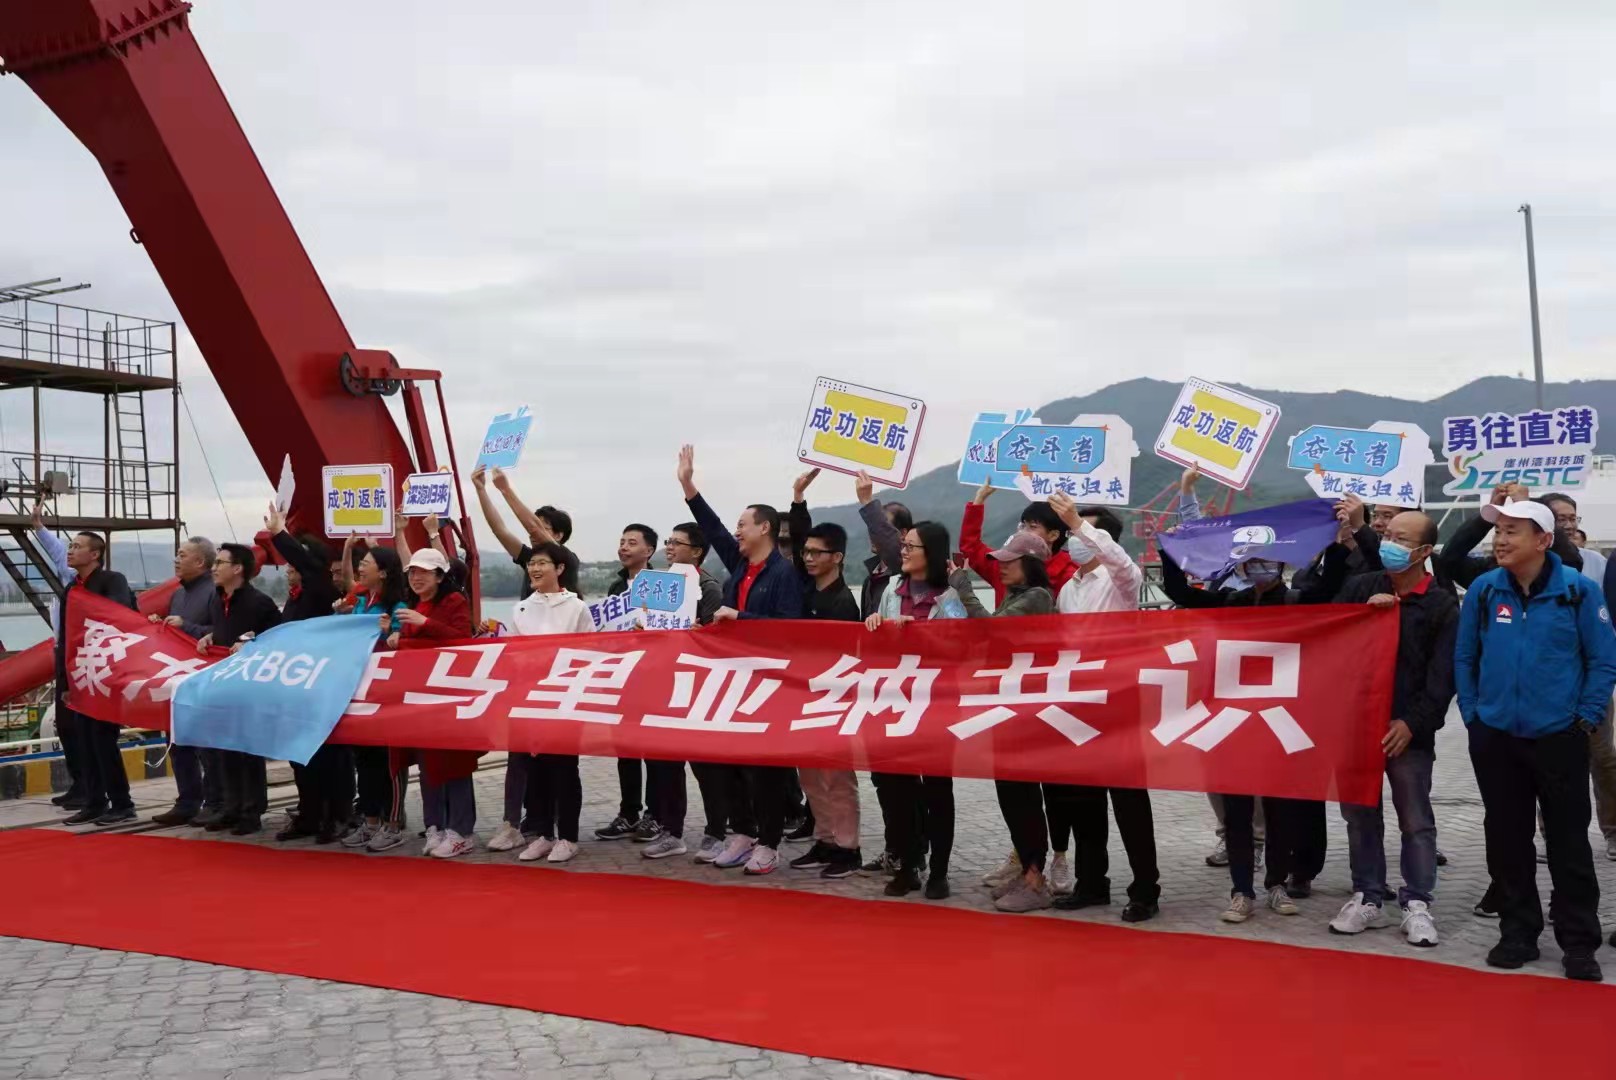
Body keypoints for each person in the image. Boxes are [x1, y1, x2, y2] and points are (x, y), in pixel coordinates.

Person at [1162, 497, 1357, 923]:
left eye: (1265, 560)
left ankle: (1276, 884)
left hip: (1281, 719)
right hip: (1233, 719)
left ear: (1282, 564)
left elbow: (1332, 585)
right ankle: (1241, 890)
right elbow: (1180, 594)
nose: (1257, 567)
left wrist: (1340, 541)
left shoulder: (1299, 601)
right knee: (1236, 813)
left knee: (1281, 809)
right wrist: (1170, 551)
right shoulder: (1231, 602)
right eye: (1250, 561)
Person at [1455, 497, 1616, 981]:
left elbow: (1602, 660)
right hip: (1496, 736)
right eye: (1499, 531)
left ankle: (1578, 941)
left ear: (1543, 540)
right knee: (1507, 839)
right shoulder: (1484, 589)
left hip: (1559, 736)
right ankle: (1518, 933)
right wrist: (1474, 715)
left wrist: (1585, 718)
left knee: (1569, 843)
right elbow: (1465, 657)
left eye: (1512, 532)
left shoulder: (1579, 591)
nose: (1500, 540)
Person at [1328, 511, 1456, 947]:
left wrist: (1413, 723)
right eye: (1387, 534)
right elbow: (1327, 636)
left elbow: (1443, 677)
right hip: (1356, 725)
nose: (1389, 543)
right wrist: (1362, 616)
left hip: (1407, 733)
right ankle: (1367, 895)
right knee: (1359, 817)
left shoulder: (1440, 603)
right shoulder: (1362, 587)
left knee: (1415, 820)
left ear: (1424, 551)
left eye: (1402, 539)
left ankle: (1417, 902)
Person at [678, 444, 803, 876]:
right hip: (731, 679)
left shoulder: (784, 573)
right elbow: (711, 529)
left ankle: (769, 842)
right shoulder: (739, 564)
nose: (736, 533)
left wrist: (740, 618)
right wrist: (689, 486)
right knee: (727, 760)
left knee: (763, 770)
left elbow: (790, 629)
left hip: (768, 682)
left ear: (764, 528)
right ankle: (743, 833)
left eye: (743, 525)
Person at [1041, 493, 1160, 923]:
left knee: (1129, 800)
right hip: (1078, 704)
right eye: (1071, 531)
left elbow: (1122, 563)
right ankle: (1092, 883)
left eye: (1080, 531)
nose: (1073, 538)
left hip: (1118, 703)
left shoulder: (1120, 580)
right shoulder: (1067, 590)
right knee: (1083, 800)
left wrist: (1077, 522)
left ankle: (1145, 890)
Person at [951, 531, 1058, 912]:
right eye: (1001, 560)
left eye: (1010, 560)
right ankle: (1026, 869)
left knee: (1024, 795)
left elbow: (992, 628)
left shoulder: (1038, 597)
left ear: (1031, 563)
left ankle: (1036, 878)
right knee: (1010, 793)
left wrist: (963, 588)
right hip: (1009, 704)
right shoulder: (1016, 596)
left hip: (1028, 709)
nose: (1002, 567)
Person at [866, 519, 967, 899]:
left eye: (911, 546)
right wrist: (877, 624)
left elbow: (962, 647)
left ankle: (939, 871)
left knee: (938, 789)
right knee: (897, 790)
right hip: (895, 703)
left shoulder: (950, 597)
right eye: (904, 545)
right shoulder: (892, 589)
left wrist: (922, 635)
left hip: (938, 704)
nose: (904, 551)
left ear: (932, 553)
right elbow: (877, 644)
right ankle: (908, 866)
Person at [783, 469, 864, 878]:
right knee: (811, 777)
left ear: (838, 557)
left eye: (819, 552)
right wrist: (798, 497)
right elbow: (800, 535)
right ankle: (825, 839)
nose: (809, 557)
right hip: (804, 699)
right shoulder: (805, 589)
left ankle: (848, 848)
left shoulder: (843, 603)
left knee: (838, 778)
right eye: (807, 552)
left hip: (835, 701)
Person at [662, 521, 749, 863]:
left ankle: (716, 832)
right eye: (668, 541)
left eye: (677, 542)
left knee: (707, 767)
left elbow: (719, 640)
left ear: (697, 551)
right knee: (667, 763)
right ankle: (671, 832)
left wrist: (698, 635)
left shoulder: (708, 587)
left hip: (699, 689)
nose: (669, 547)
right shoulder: (662, 584)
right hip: (667, 685)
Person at [263, 505, 350, 845]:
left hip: (322, 686)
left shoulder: (321, 589)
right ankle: (309, 813)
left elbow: (309, 564)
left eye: (293, 562)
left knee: (328, 757)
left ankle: (337, 816)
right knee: (300, 756)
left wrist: (279, 534)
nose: (288, 569)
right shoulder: (294, 599)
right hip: (295, 686)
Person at [508, 541, 595, 864]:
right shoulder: (521, 608)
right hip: (531, 699)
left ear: (559, 568)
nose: (534, 568)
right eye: (531, 563)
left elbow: (589, 653)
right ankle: (544, 834)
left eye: (542, 563)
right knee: (536, 770)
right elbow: (513, 654)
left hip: (565, 699)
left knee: (564, 769)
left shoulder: (577, 608)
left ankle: (568, 837)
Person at [388, 545, 477, 859]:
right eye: (413, 572)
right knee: (427, 765)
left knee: (453, 764)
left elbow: (461, 641)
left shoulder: (454, 601)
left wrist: (423, 624)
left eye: (424, 572)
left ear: (440, 576)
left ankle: (461, 831)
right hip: (419, 697)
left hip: (448, 696)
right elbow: (416, 645)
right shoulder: (413, 604)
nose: (416, 578)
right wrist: (397, 637)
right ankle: (434, 825)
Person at [854, 470, 919, 875]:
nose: (875, 535)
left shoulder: (910, 573)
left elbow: (895, 550)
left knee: (907, 780)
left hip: (908, 687)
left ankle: (915, 854)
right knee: (882, 777)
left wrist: (867, 503)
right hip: (876, 686)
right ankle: (895, 847)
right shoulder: (871, 577)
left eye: (884, 528)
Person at [191, 543, 281, 835]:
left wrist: (253, 643)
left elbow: (279, 641)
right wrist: (210, 637)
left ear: (238, 568)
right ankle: (231, 807)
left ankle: (251, 811)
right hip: (224, 686)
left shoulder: (260, 603)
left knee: (247, 751)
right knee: (225, 748)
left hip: (252, 688)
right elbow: (223, 631)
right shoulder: (218, 601)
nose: (214, 568)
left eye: (220, 563)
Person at [57, 530, 140, 826]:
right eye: (70, 545)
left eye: (77, 546)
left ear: (95, 554)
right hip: (80, 673)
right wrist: (65, 682)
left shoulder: (111, 580)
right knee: (85, 740)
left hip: (105, 672)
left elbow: (119, 616)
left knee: (103, 740)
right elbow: (66, 638)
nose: (70, 550)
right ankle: (94, 802)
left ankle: (122, 803)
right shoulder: (71, 589)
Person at [593, 522, 664, 844]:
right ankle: (629, 812)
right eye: (622, 541)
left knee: (655, 753)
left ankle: (656, 814)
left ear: (649, 550)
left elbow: (672, 631)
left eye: (632, 542)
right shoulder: (616, 588)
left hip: (654, 679)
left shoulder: (662, 586)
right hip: (624, 679)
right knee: (626, 750)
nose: (623, 547)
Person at [336, 542, 409, 852]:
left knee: (388, 762)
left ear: (384, 572)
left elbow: (406, 646)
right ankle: (369, 822)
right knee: (364, 760)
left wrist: (392, 633)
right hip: (361, 690)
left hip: (387, 695)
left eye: (366, 563)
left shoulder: (399, 606)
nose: (360, 568)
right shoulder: (362, 602)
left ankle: (393, 825)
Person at [145, 536, 216, 826]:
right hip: (179, 680)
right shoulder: (177, 594)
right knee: (177, 741)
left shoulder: (214, 592)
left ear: (200, 562)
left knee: (207, 746)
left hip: (206, 680)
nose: (176, 559)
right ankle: (187, 801)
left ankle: (214, 801)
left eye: (182, 554)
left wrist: (186, 626)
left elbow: (221, 632)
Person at [961, 479, 1078, 604]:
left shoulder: (1070, 576)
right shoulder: (1004, 564)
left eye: (1032, 527)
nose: (1023, 532)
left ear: (1053, 535)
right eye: (1022, 525)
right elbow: (971, 547)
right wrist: (979, 499)